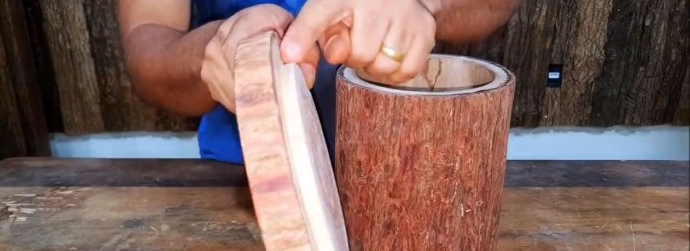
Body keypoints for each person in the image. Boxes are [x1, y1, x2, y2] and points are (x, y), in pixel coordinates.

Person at [118, 0, 521, 165]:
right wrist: (216, 48)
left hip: (421, 169)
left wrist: (422, 5)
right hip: (252, 179)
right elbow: (146, 50)